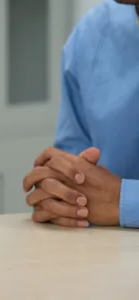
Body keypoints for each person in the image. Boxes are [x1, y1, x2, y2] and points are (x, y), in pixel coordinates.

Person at [23, 0, 139, 229]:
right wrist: (61, 197)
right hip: (101, 257)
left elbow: (110, 201)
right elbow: (75, 179)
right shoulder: (93, 32)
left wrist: (123, 201)